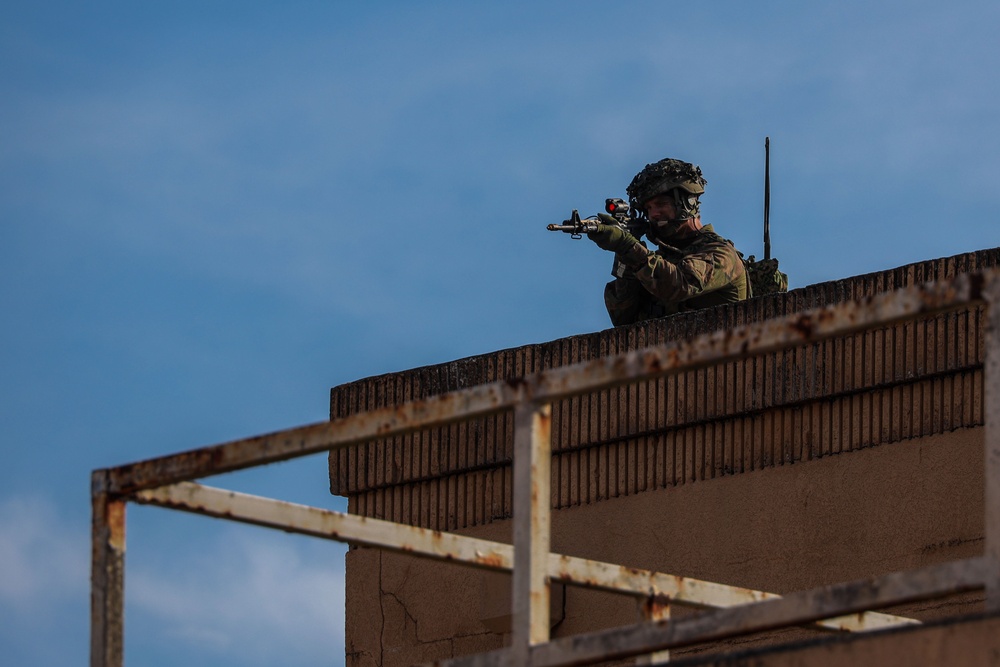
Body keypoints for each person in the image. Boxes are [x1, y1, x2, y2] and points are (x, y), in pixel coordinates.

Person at [587, 158, 749, 326]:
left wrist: (628, 246)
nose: (653, 214)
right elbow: (623, 317)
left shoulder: (721, 254)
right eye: (648, 208)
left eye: (661, 204)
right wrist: (624, 254)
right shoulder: (656, 263)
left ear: (687, 203)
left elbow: (681, 284)